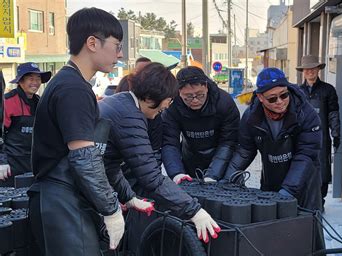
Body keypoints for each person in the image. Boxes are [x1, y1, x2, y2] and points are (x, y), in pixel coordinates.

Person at [29, 8, 131, 254]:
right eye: (117, 45)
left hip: (63, 197)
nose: (119, 54)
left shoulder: (70, 82)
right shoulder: (73, 88)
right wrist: (111, 209)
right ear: (93, 43)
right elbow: (84, 158)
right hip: (60, 199)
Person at [99, 62, 220, 254]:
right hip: (72, 188)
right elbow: (152, 178)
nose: (167, 106)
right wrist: (195, 211)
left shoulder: (122, 103)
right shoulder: (130, 116)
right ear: (150, 96)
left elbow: (110, 165)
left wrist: (128, 197)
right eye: (168, 100)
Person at [223, 67, 323, 211]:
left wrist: (287, 191)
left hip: (305, 182)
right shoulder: (251, 118)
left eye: (284, 95)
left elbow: (306, 154)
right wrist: (227, 180)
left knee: (306, 229)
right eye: (272, 98)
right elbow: (245, 150)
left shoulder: (306, 114)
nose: (280, 102)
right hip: (271, 178)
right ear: (260, 98)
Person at [161, 66, 239, 184]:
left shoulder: (224, 103)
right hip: (190, 157)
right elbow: (169, 143)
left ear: (206, 87)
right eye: (188, 97)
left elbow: (228, 142)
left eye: (200, 94)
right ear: (179, 92)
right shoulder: (172, 106)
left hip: (223, 158)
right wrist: (177, 174)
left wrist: (213, 175)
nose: (195, 100)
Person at [296, 54, 341, 209]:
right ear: (303, 71)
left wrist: (336, 134)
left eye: (313, 68)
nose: (310, 72)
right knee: (302, 168)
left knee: (322, 170)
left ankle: (320, 201)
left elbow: (333, 114)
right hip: (301, 138)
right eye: (307, 69)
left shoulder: (328, 90)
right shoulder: (297, 91)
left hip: (322, 138)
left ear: (318, 69)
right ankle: (304, 201)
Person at [0, 63, 51, 187]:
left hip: (33, 165)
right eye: (31, 78)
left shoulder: (40, 102)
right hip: (10, 167)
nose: (35, 82)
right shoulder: (8, 102)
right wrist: (2, 162)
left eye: (38, 78)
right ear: (20, 81)